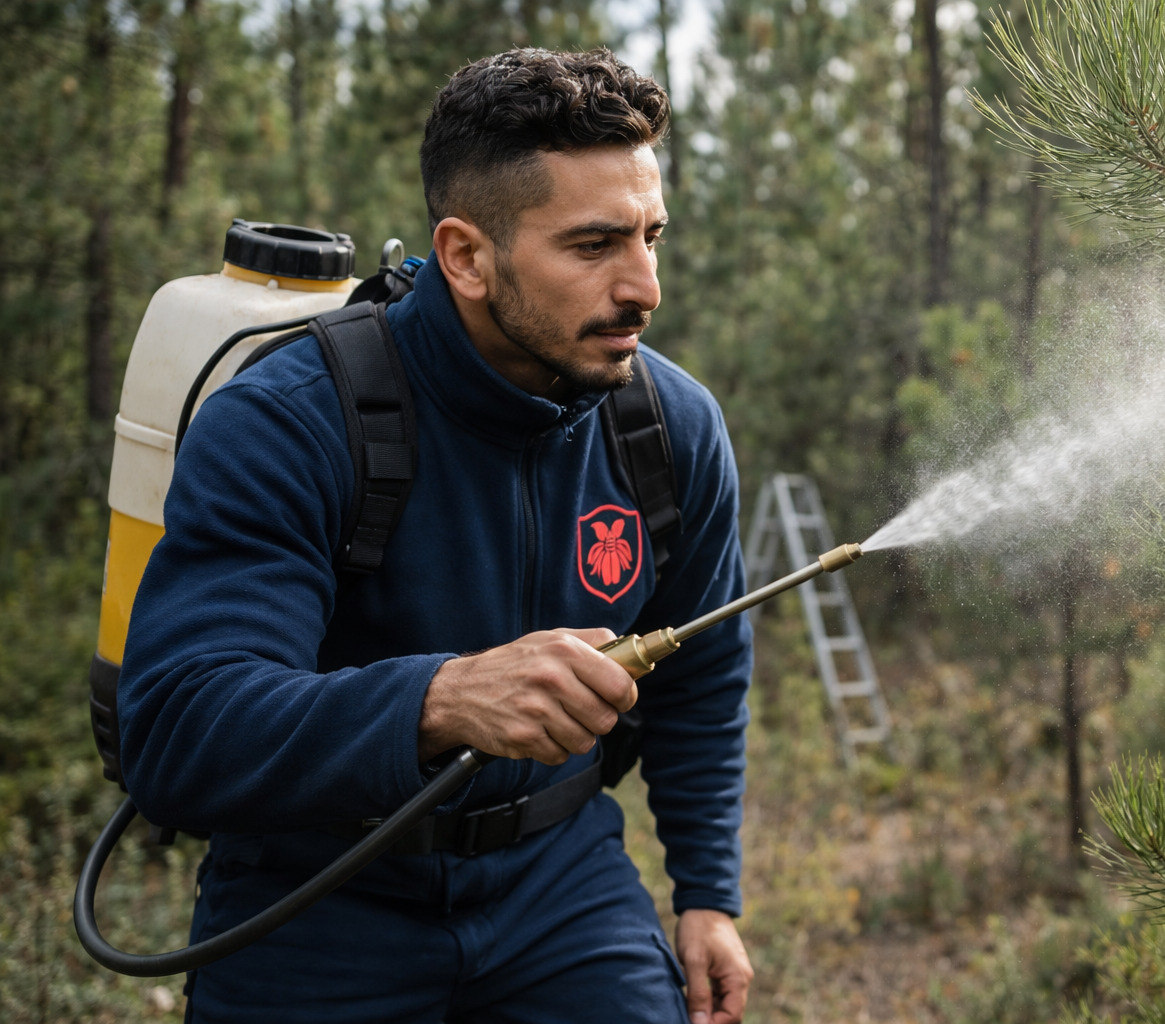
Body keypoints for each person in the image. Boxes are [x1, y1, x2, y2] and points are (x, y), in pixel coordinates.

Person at [118, 48, 754, 1024]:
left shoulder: (667, 430)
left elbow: (705, 673)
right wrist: (440, 698)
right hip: (317, 896)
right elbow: (176, 728)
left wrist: (708, 893)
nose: (645, 287)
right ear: (464, 255)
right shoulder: (292, 422)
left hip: (559, 883)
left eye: (651, 236)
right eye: (593, 247)